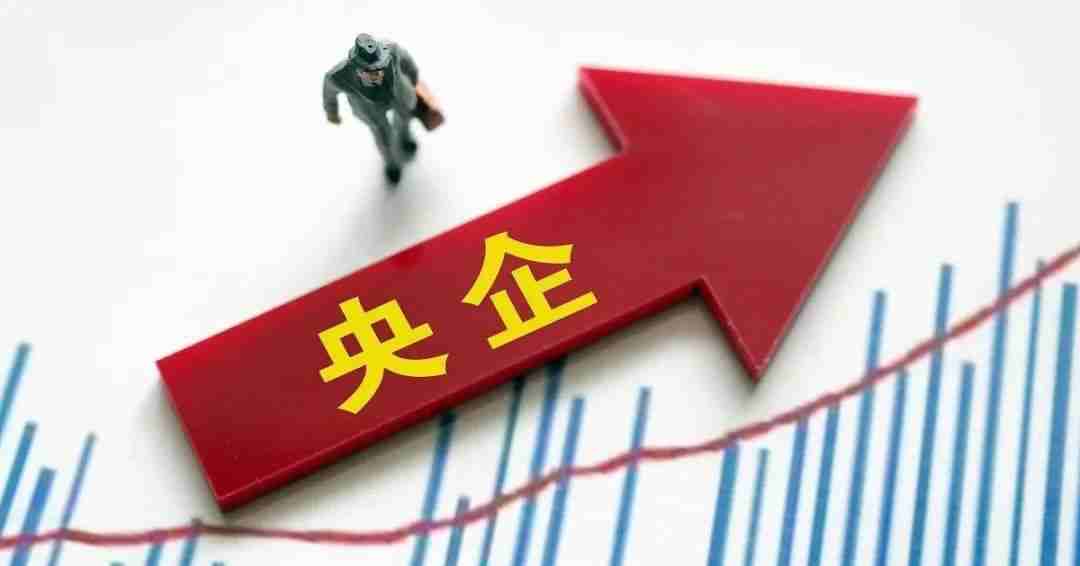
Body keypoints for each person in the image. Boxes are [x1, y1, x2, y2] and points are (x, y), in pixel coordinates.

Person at [323, 34, 422, 184]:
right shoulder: (339, 76)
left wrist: (413, 81)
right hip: (369, 108)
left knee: (405, 117)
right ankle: (392, 163)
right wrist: (332, 113)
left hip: (398, 94)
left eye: (379, 67)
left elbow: (408, 62)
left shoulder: (392, 49)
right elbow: (329, 94)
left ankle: (405, 137)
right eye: (369, 72)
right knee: (383, 136)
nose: (376, 75)